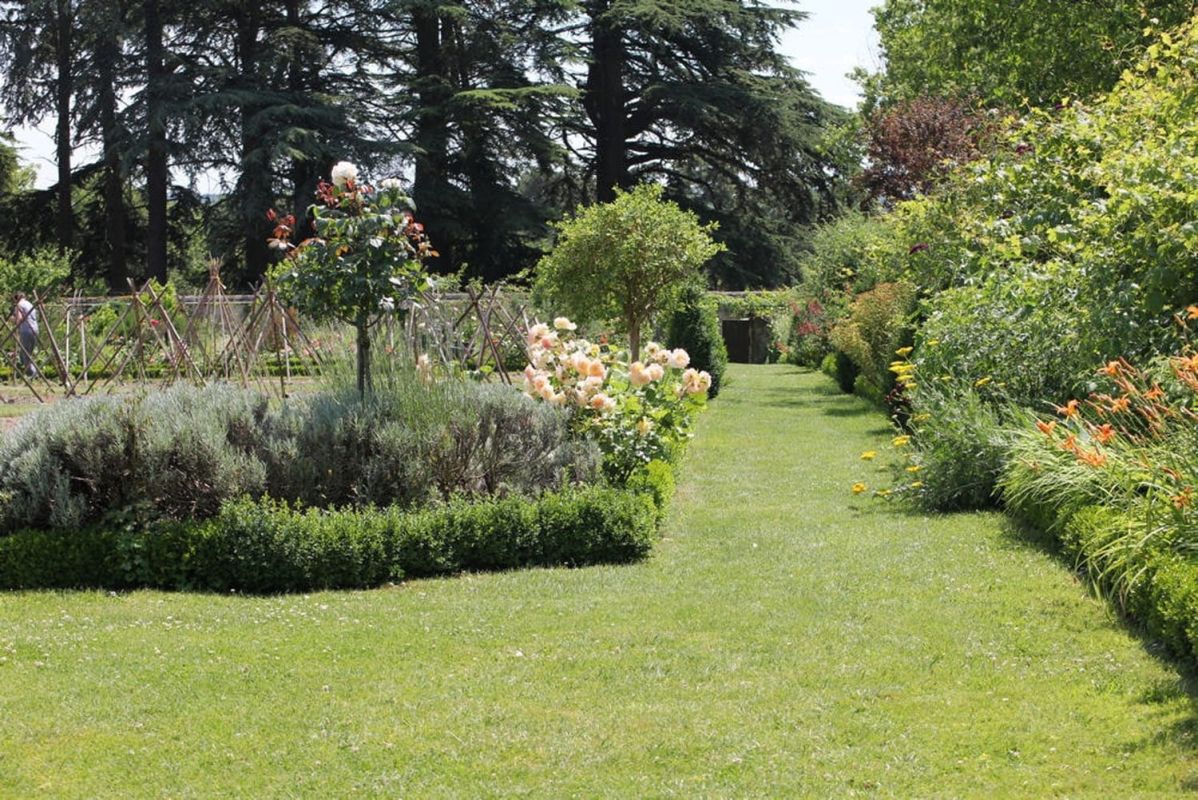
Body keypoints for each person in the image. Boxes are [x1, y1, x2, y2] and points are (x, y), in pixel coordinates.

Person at [12, 292, 38, 377]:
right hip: (35, 329)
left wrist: (13, 319)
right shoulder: (29, 304)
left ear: (16, 299)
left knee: (25, 353)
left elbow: (19, 319)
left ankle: (32, 374)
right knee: (28, 353)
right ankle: (32, 373)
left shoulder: (19, 305)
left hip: (26, 330)